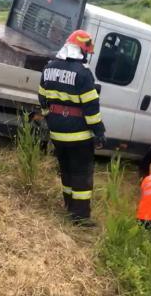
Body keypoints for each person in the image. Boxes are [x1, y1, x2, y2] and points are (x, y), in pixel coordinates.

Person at [38, 30, 105, 226]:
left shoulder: (49, 68)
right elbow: (91, 107)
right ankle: (81, 217)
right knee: (81, 175)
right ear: (81, 50)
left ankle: (69, 206)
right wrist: (99, 132)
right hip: (79, 135)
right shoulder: (83, 74)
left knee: (66, 170)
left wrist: (48, 116)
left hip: (57, 133)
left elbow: (42, 97)